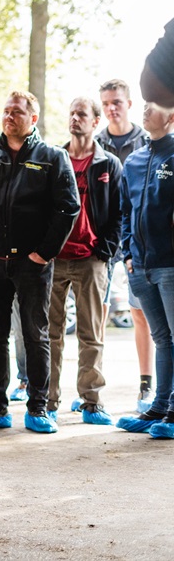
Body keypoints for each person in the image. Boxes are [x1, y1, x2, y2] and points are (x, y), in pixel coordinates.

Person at [0, 90, 79, 433]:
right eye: (6, 111)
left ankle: (38, 408)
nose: (9, 116)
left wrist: (43, 253)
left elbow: (68, 208)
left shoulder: (52, 157)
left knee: (35, 335)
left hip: (33, 265)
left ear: (33, 119)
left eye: (17, 112)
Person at [46, 97, 122, 425]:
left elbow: (120, 212)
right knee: (49, 333)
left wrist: (105, 252)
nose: (75, 118)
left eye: (82, 114)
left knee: (91, 333)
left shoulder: (108, 164)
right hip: (54, 259)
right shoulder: (53, 160)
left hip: (92, 260)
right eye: (72, 113)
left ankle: (91, 401)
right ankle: (45, 400)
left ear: (95, 121)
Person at [116, 101, 174, 437]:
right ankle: (160, 407)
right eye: (144, 105)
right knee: (162, 338)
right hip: (139, 266)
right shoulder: (134, 160)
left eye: (154, 106)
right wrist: (128, 253)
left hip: (169, 264)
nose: (145, 110)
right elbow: (125, 211)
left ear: (170, 116)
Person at [96, 79, 154, 412]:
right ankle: (93, 389)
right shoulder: (96, 142)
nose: (110, 109)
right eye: (105, 104)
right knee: (96, 317)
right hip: (104, 241)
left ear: (129, 104)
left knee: (140, 313)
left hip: (136, 240)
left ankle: (146, 387)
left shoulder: (147, 141)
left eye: (116, 102)